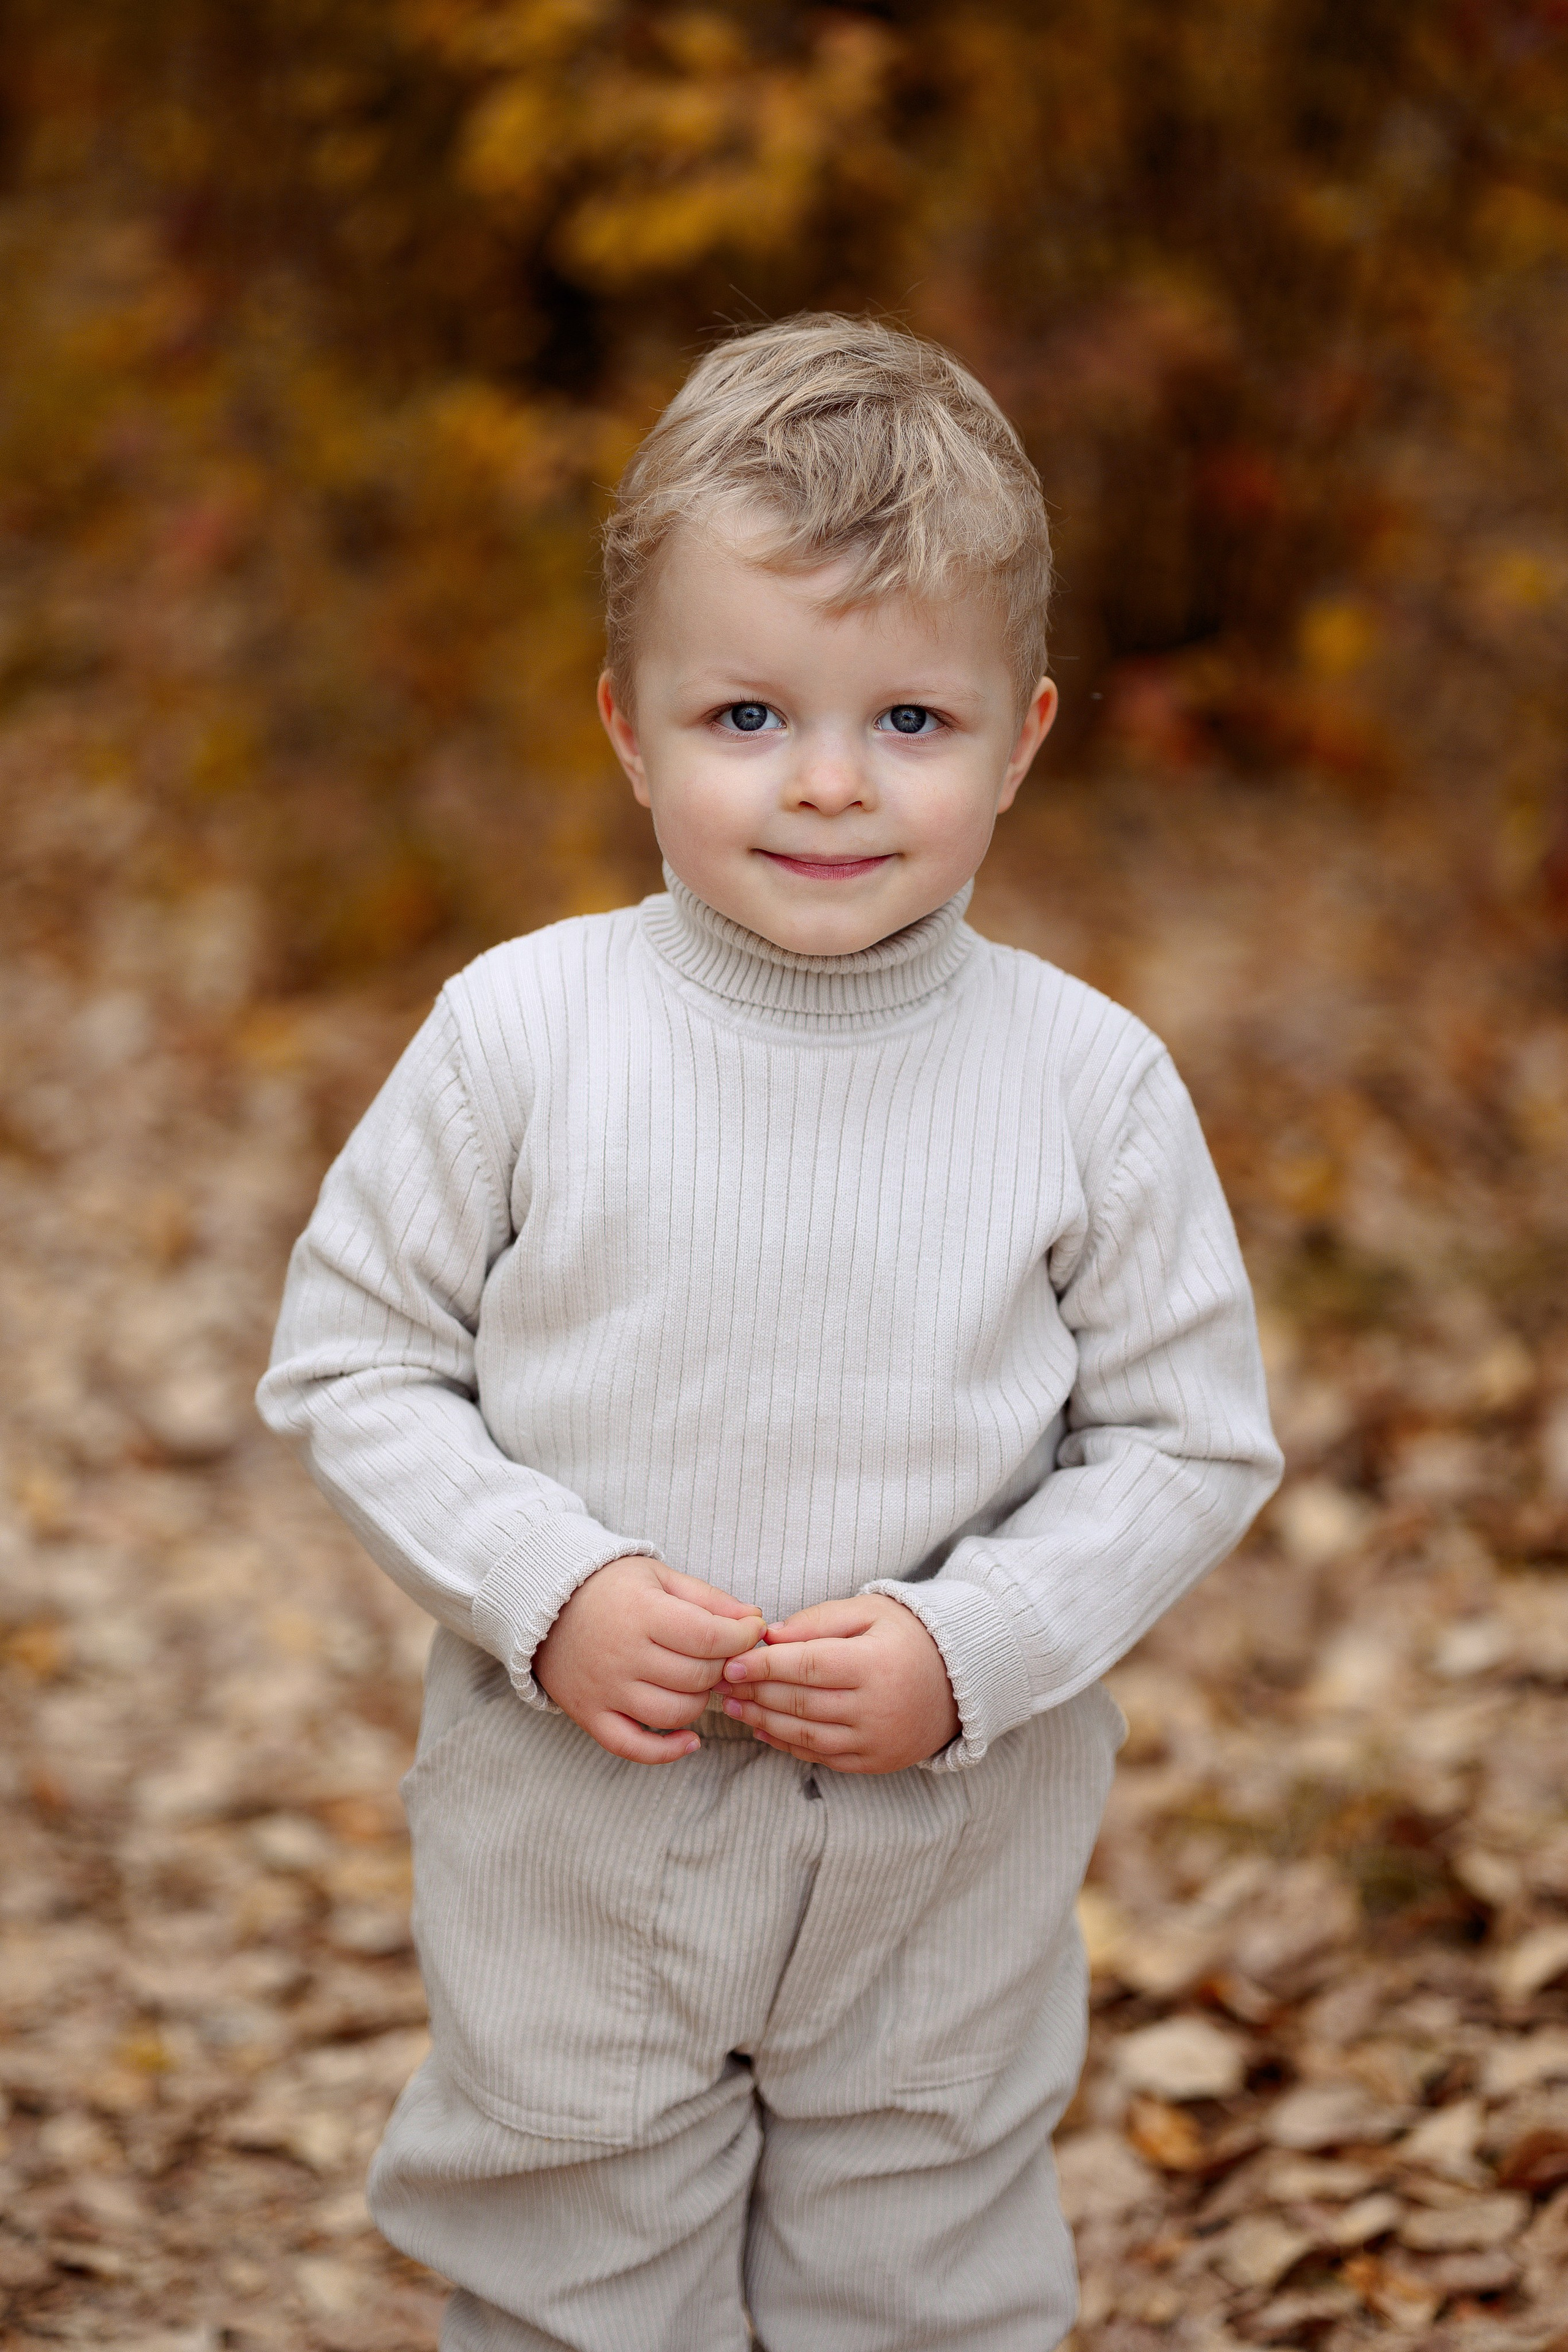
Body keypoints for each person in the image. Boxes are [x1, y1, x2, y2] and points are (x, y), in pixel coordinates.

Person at [257, 313, 1282, 2352]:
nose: (828, 781)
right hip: (579, 1849)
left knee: (919, 2285)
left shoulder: (1087, 1085)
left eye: (911, 719)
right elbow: (353, 1358)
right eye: (746, 714)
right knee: (572, 2271)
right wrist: (546, 1586)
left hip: (941, 1868)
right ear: (629, 727)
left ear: (1023, 736)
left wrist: (971, 1647)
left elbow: (1190, 1439)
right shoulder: (524, 1037)